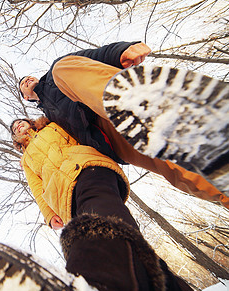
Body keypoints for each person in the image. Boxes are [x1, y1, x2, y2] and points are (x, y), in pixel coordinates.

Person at [10, 116, 201, 291]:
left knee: (97, 221)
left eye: (20, 122)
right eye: (14, 128)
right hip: (63, 197)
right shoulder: (26, 160)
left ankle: (96, 284)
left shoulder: (51, 126)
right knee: (127, 240)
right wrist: (49, 214)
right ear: (16, 138)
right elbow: (36, 187)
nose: (18, 126)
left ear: (30, 122)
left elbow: (78, 129)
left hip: (87, 167)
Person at [18, 41, 228, 208]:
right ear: (27, 99)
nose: (26, 81)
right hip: (105, 140)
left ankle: (136, 99)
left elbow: (95, 56)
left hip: (100, 102)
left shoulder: (56, 73)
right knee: (173, 165)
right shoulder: (47, 124)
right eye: (22, 85)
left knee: (62, 69)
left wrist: (121, 51)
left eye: (27, 77)